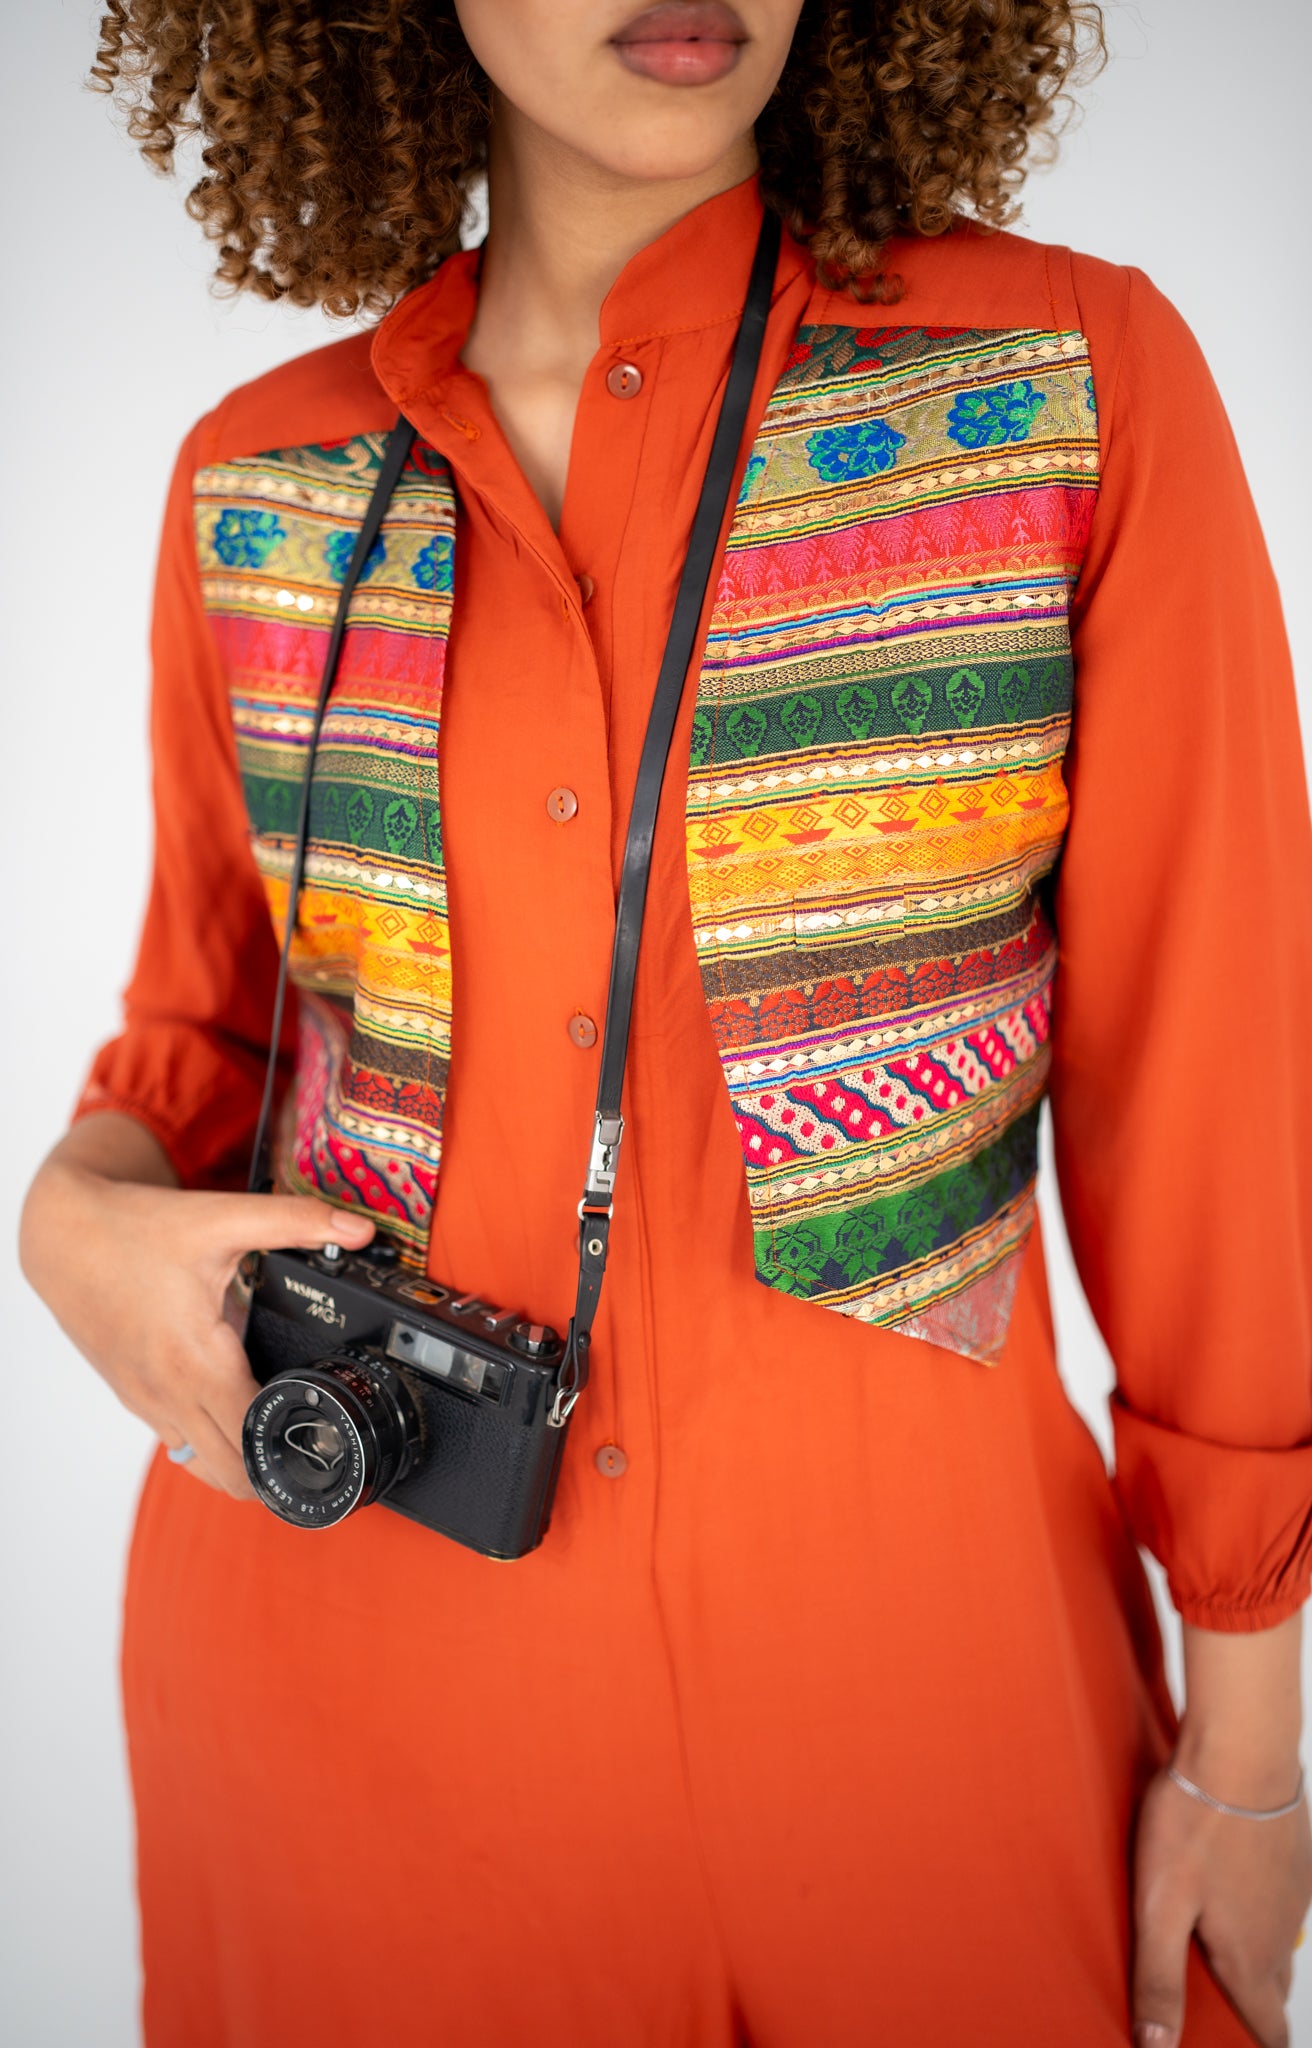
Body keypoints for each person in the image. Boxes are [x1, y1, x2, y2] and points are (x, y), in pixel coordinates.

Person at [19, 2, 1312, 2043]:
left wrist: (1247, 1750)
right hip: (349, 1723)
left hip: (916, 1732)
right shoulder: (260, 484)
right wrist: (65, 1221)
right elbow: (208, 1040)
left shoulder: (1067, 382)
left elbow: (1223, 1084)